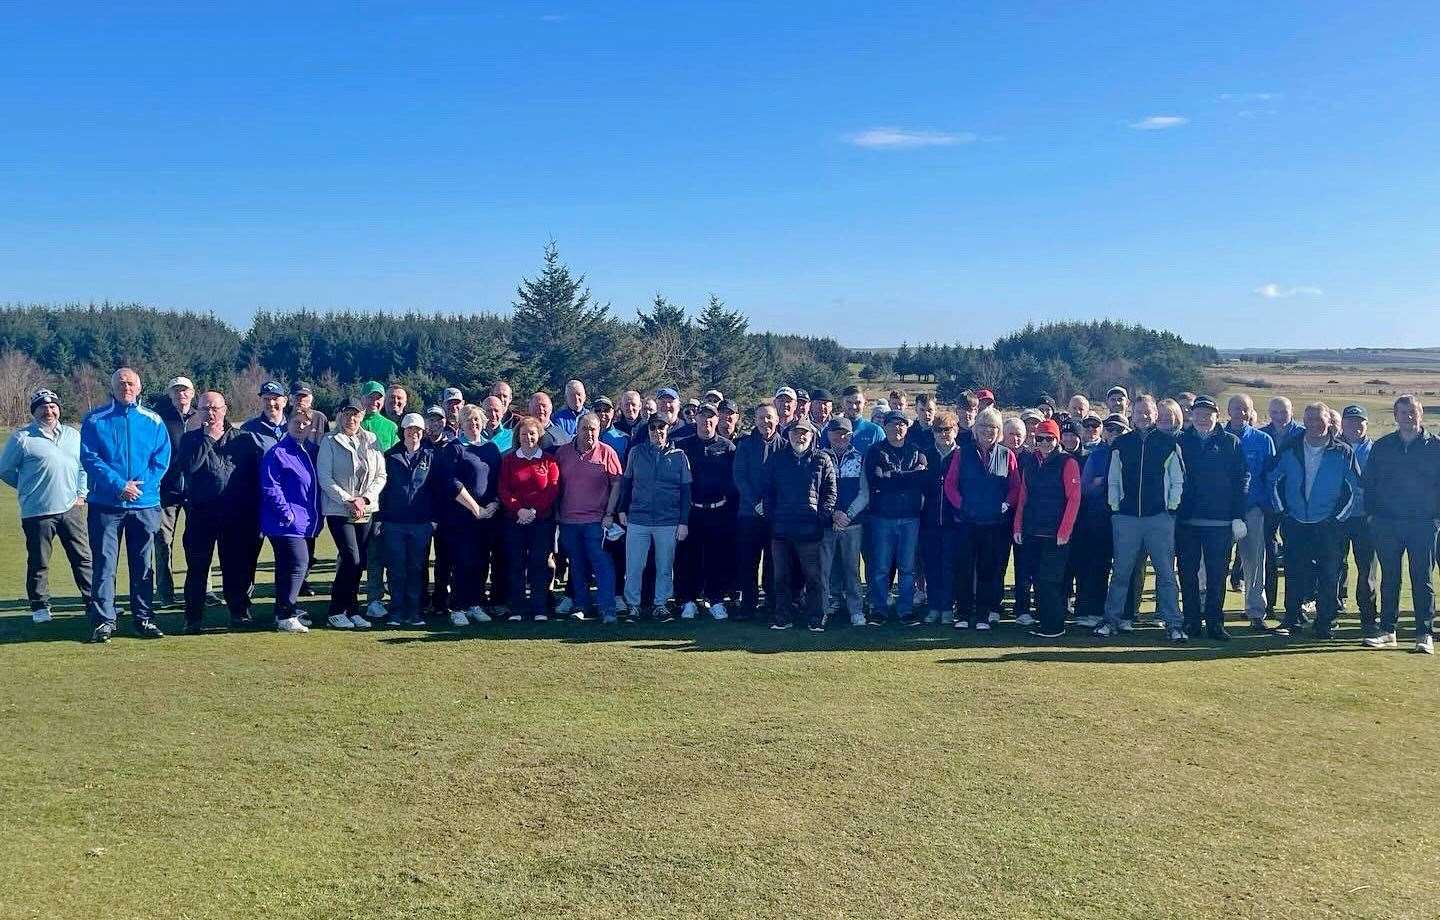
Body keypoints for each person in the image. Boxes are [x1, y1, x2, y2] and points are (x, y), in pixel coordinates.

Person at [79, 367, 172, 642]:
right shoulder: (95, 419)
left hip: (144, 505)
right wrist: (119, 485)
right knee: (105, 564)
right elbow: (90, 458)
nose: (126, 388)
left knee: (143, 564)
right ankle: (104, 620)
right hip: (106, 504)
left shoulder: (153, 420)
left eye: (131, 384)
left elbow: (161, 459)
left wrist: (138, 487)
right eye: (121, 384)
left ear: (139, 388)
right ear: (113, 387)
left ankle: (143, 618)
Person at [173, 391, 266, 634]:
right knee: (197, 568)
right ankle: (192, 618)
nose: (211, 413)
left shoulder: (244, 439)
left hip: (235, 515)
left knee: (235, 567)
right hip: (201, 515)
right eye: (205, 409)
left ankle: (239, 613)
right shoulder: (190, 440)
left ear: (225, 409)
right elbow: (190, 467)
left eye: (215, 408)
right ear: (199, 411)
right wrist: (206, 438)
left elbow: (253, 478)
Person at [1268, 402, 1360, 639]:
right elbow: (1274, 480)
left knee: (1329, 574)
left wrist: (1337, 519)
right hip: (1295, 522)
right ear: (1303, 420)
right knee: (1294, 572)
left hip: (1328, 525)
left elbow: (1353, 489)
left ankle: (1325, 622)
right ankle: (1292, 619)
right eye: (1309, 419)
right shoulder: (1290, 448)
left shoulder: (1343, 451)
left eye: (1319, 419)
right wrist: (1283, 512)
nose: (1314, 424)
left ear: (1328, 421)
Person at [1, 388, 92, 623]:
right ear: (35, 411)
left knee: (82, 558)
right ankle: (40, 606)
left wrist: (81, 494)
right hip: (38, 512)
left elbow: (83, 468)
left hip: (71, 509)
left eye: (53, 406)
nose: (48, 411)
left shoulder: (73, 435)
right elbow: (5, 470)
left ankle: (94, 601)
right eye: (43, 407)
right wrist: (28, 488)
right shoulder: (22, 438)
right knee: (39, 562)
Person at [1098, 395, 1185, 641]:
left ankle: (1173, 623)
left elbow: (1177, 480)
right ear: (1131, 415)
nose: (1143, 416)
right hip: (1126, 519)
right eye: (1138, 412)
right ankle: (1111, 620)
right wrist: (1116, 509)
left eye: (1148, 412)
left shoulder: (1169, 443)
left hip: (1159, 518)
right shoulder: (1121, 444)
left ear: (1155, 415)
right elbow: (1113, 480)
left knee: (1166, 574)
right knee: (1121, 573)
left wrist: (1171, 509)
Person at [1361, 395, 1440, 653]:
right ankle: (1388, 630)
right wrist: (1372, 515)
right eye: (1403, 412)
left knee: (1422, 579)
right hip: (1387, 523)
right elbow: (1369, 484)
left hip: (1423, 524)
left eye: (1412, 412)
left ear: (1420, 414)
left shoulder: (1435, 446)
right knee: (1390, 578)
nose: (1408, 417)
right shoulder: (1383, 446)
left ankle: (1424, 633)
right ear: (1395, 416)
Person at [1175, 396, 1249, 640]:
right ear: (1191, 415)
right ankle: (1191, 621)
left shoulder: (1231, 442)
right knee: (1188, 574)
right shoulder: (1181, 441)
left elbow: (1242, 481)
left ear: (1217, 416)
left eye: (1208, 414)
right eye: (1198, 413)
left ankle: (1215, 623)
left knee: (1218, 575)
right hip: (1187, 521)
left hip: (1220, 522)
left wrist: (1238, 515)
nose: (1203, 418)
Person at [944, 407, 1020, 631]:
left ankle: (983, 615)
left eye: (993, 427)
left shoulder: (1008, 455)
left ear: (999, 431)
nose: (989, 431)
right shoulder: (961, 453)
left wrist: (1006, 505)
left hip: (995, 525)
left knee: (989, 570)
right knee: (964, 569)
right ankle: (964, 613)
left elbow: (1015, 487)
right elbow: (950, 484)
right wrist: (962, 505)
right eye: (984, 426)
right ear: (976, 429)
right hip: (967, 523)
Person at [614, 413, 692, 622]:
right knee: (634, 566)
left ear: (667, 429)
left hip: (668, 520)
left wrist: (683, 521)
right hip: (638, 518)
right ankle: (633, 606)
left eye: (661, 427)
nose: (657, 431)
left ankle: (661, 604)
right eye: (653, 427)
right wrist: (622, 509)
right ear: (647, 430)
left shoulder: (679, 456)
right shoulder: (636, 452)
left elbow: (686, 492)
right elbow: (627, 483)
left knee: (665, 566)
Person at [317, 399, 387, 630]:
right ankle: (336, 611)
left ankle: (352, 609)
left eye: (355, 414)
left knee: (360, 562)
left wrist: (364, 499)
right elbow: (325, 478)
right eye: (347, 414)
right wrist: (348, 500)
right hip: (339, 510)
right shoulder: (329, 441)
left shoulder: (371, 440)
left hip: (366, 509)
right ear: (339, 415)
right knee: (350, 558)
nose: (351, 418)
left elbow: (380, 475)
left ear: (362, 415)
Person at [762, 418, 837, 630]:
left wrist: (821, 518)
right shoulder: (776, 459)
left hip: (810, 530)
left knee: (814, 578)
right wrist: (771, 517)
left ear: (812, 435)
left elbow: (830, 493)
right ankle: (782, 617)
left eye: (805, 433)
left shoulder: (822, 459)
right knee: (781, 578)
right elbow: (767, 491)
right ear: (788, 435)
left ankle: (816, 617)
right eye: (796, 433)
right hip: (781, 529)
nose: (800, 436)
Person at [1012, 419, 1081, 638]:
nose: (1044, 443)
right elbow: (1023, 496)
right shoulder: (1031, 462)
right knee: (1038, 579)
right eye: (1040, 438)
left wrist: (1065, 530)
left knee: (1050, 580)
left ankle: (1054, 625)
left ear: (1057, 439)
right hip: (1033, 530)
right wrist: (1018, 525)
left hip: (1056, 534)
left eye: (1049, 438)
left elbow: (1074, 498)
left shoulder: (1067, 462)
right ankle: (1045, 621)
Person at [435, 404, 502, 626]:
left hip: (487, 518)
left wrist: (493, 504)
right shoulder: (453, 448)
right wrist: (476, 509)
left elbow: (497, 481)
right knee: (463, 562)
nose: (473, 424)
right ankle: (458, 606)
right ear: (460, 424)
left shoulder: (491, 448)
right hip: (462, 517)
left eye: (476, 420)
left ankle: (475, 604)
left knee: (482, 563)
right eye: (468, 420)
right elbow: (452, 483)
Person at [258, 412, 323, 633]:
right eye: (297, 422)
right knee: (299, 563)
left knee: (286, 567)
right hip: (285, 523)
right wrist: (287, 514)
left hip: (306, 522)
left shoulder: (312, 451)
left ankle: (283, 611)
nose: (301, 426)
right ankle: (286, 614)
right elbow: (270, 486)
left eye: (306, 423)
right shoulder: (278, 452)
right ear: (288, 424)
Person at [555, 413, 623, 623]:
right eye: (585, 428)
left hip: (596, 520)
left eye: (593, 429)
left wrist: (609, 513)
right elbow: (556, 485)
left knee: (602, 563)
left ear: (599, 430)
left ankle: (607, 608)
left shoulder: (607, 452)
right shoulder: (563, 453)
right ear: (577, 429)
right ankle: (581, 605)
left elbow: (617, 483)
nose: (589, 433)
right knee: (576, 565)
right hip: (568, 521)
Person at [674, 403, 737, 619]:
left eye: (711, 417)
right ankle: (688, 600)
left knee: (716, 558)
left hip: (719, 512)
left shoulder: (728, 447)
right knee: (688, 558)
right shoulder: (682, 445)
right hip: (691, 511)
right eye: (703, 417)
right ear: (697, 419)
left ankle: (716, 599)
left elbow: (734, 483)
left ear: (717, 419)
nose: (707, 421)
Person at [865, 411, 927, 625]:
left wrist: (891, 475)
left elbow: (919, 480)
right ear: (886, 426)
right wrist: (906, 476)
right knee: (881, 567)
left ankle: (905, 610)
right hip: (882, 517)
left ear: (906, 428)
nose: (897, 428)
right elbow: (876, 480)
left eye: (901, 424)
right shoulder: (875, 451)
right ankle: (879, 609)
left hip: (910, 517)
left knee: (907, 568)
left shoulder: (916, 451)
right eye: (893, 424)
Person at [499, 416, 561, 621]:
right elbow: (504, 489)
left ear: (539, 436)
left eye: (532, 433)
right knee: (515, 564)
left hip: (542, 521)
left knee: (539, 564)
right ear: (518, 436)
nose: (528, 437)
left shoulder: (549, 460)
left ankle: (539, 608)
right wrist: (519, 510)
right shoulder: (509, 460)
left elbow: (552, 490)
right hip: (514, 521)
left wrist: (533, 511)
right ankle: (516, 608)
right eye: (524, 434)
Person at [377, 414, 436, 628]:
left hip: (421, 523)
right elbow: (382, 490)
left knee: (416, 568)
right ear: (403, 432)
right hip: (394, 522)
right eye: (410, 429)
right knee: (396, 569)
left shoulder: (431, 455)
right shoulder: (390, 456)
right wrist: (380, 519)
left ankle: (414, 612)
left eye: (418, 430)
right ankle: (396, 611)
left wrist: (434, 520)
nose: (414, 433)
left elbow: (436, 490)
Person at [1072, 413, 1127, 630]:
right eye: (1110, 429)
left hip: (1125, 517)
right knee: (1096, 566)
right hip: (1098, 518)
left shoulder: (1131, 452)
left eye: (1119, 430)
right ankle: (1091, 610)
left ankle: (1123, 614)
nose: (1114, 434)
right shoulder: (1097, 455)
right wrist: (1103, 482)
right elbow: (1085, 488)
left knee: (1124, 568)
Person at [1260, 395, 1306, 620]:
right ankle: (1268, 605)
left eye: (1284, 412)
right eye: (1275, 412)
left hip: (1295, 505)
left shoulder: (1302, 434)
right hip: (1269, 504)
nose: (1279, 417)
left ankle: (1295, 608)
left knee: (1296, 558)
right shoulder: (1262, 435)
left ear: (1291, 411)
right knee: (1268, 556)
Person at [733, 403, 781, 620]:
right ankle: (748, 605)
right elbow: (740, 477)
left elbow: (784, 481)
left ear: (777, 420)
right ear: (756, 420)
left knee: (773, 561)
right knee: (747, 562)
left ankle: (771, 602)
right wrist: (756, 503)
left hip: (774, 516)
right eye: (762, 418)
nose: (766, 422)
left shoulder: (784, 446)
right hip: (748, 514)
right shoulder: (745, 445)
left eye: (769, 418)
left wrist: (769, 505)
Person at [820, 416, 869, 627]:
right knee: (827, 568)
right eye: (835, 432)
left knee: (851, 568)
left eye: (844, 433)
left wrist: (847, 515)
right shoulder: (820, 458)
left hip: (853, 523)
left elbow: (864, 493)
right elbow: (817, 491)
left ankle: (855, 608)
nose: (840, 437)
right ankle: (827, 604)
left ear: (851, 435)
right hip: (827, 522)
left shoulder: (860, 458)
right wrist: (832, 514)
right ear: (828, 434)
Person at [153, 376, 197, 608]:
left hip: (197, 491)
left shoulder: (201, 417)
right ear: (170, 394)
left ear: (192, 393)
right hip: (166, 490)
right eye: (176, 390)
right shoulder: (160, 419)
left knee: (198, 541)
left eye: (185, 390)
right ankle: (165, 594)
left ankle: (203, 589)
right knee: (162, 542)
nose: (181, 394)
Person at [1336, 404, 1378, 634]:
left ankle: (1368, 617)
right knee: (1334, 567)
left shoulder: (1376, 450)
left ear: (1366, 424)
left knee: (1367, 571)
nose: (1355, 426)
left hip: (1366, 519)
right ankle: (1332, 611)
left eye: (1360, 421)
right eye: (1350, 421)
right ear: (1342, 424)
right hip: (1339, 518)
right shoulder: (1334, 447)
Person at [918, 411, 960, 623]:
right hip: (929, 522)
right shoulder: (925, 456)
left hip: (954, 523)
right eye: (938, 430)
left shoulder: (962, 456)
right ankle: (934, 606)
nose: (943, 434)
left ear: (956, 430)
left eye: (947, 429)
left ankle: (947, 608)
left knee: (949, 566)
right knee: (931, 566)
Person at [241, 381, 288, 449]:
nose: (271, 403)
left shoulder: (296, 427)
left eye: (275, 399)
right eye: (266, 399)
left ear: (284, 401)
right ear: (261, 401)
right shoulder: (248, 429)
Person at [840, 386, 885, 457]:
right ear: (842, 403)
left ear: (865, 403)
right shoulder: (830, 430)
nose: (853, 407)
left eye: (858, 403)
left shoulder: (875, 431)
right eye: (849, 402)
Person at [287, 382, 330, 452]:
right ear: (291, 398)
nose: (301, 400)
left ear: (311, 400)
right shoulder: (284, 418)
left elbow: (327, 444)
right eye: (297, 396)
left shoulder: (320, 418)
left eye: (304, 396)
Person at [359, 380, 399, 450]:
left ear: (383, 401)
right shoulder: (353, 423)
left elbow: (396, 454)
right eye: (371, 397)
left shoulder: (391, 427)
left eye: (378, 398)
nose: (375, 402)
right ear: (362, 398)